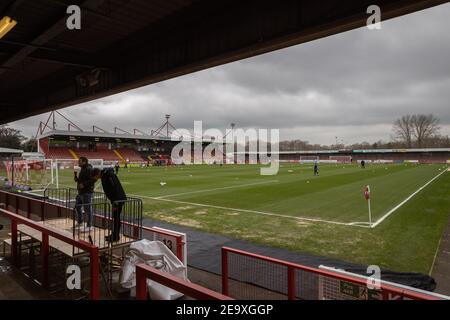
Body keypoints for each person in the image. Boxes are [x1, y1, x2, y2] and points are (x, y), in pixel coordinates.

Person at [92, 167, 127, 242]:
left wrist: (116, 200)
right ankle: (114, 234)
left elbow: (115, 187)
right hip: (115, 200)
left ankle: (116, 236)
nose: (95, 179)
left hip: (118, 200)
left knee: (116, 218)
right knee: (115, 218)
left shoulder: (108, 175)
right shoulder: (105, 176)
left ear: (97, 173)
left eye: (95, 176)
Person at [74, 157, 95, 232]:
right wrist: (77, 179)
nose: (78, 163)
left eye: (79, 162)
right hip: (81, 192)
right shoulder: (83, 168)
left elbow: (93, 180)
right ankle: (80, 222)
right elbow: (83, 179)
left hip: (86, 192)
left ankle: (89, 225)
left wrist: (84, 184)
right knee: (77, 206)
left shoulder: (89, 169)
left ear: (84, 162)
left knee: (87, 209)